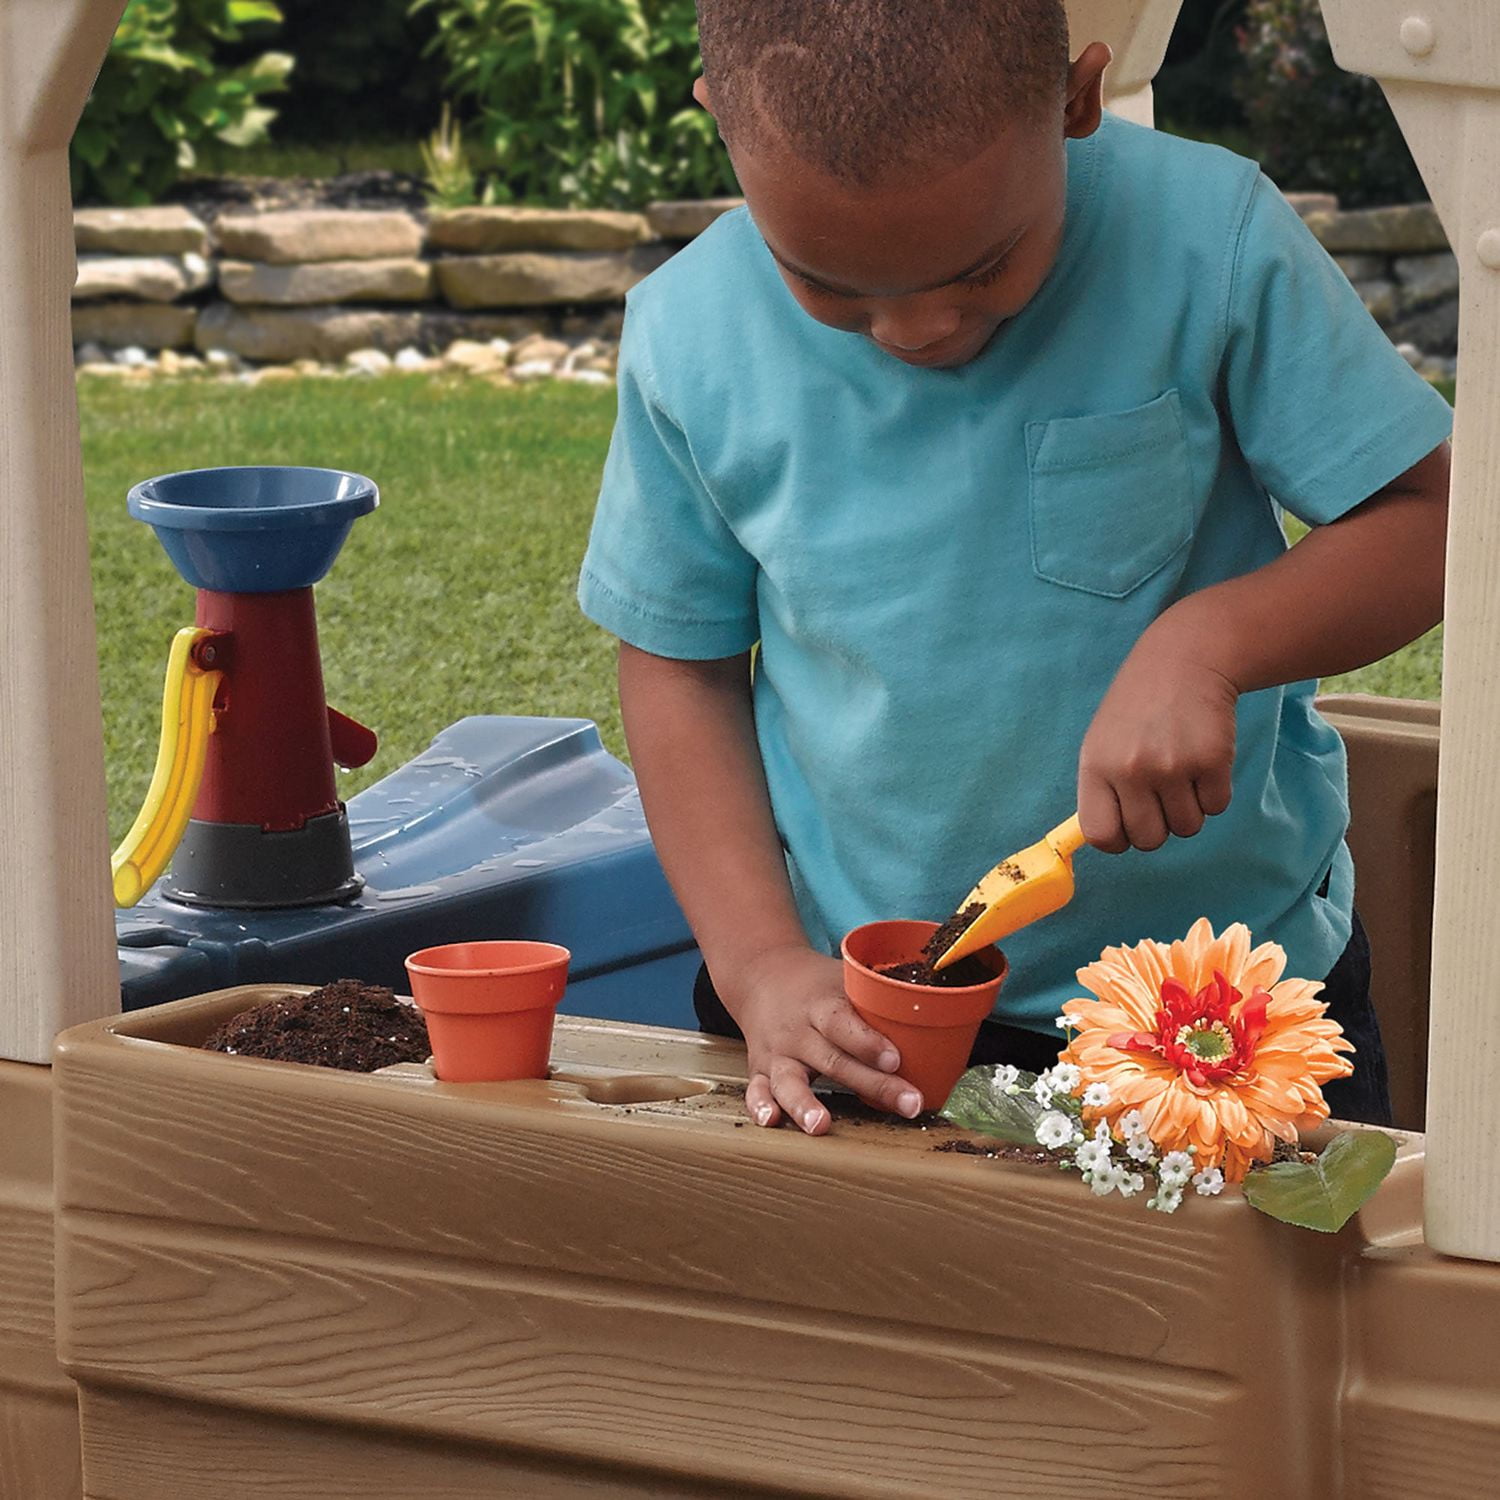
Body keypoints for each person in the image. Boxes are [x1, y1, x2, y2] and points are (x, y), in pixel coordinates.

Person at [577, 0, 1449, 1136]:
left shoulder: (1209, 237)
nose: (917, 329)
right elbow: (679, 668)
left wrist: (1210, 644)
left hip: (1227, 1008)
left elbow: (1431, 520)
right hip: (854, 1016)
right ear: (721, 129)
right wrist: (757, 965)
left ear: (1076, 100)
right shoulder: (687, 338)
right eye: (832, 288)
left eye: (983, 269)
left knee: (1257, 1316)